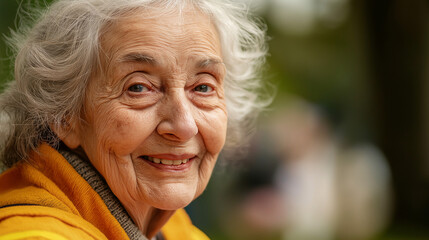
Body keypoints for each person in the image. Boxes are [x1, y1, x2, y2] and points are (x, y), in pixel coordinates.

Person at [0, 0, 268, 239]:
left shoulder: (174, 231)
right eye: (138, 87)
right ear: (64, 116)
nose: (185, 126)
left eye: (202, 87)